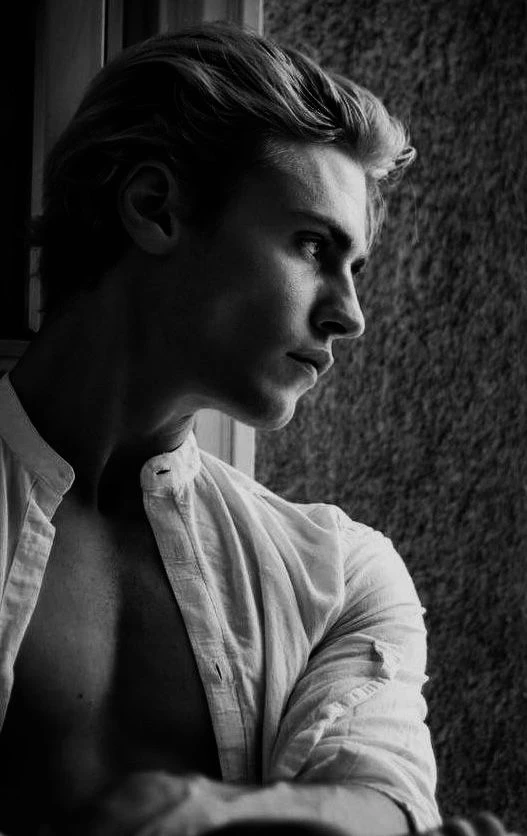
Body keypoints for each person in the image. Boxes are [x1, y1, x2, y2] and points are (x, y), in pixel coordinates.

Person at [0, 22, 440, 836]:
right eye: (313, 246)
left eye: (355, 269)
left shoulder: (337, 577)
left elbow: (386, 802)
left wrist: (204, 809)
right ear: (155, 208)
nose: (349, 316)